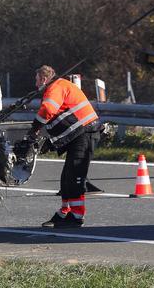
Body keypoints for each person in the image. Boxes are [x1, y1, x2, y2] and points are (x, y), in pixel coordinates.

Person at [16, 65, 100, 228]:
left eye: (37, 80)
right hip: (79, 134)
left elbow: (48, 109)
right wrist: (50, 142)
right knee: (67, 177)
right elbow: (63, 118)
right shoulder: (60, 86)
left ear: (43, 79)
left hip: (85, 133)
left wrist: (34, 130)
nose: (35, 84)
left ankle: (76, 217)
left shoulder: (55, 87)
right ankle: (65, 212)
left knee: (75, 176)